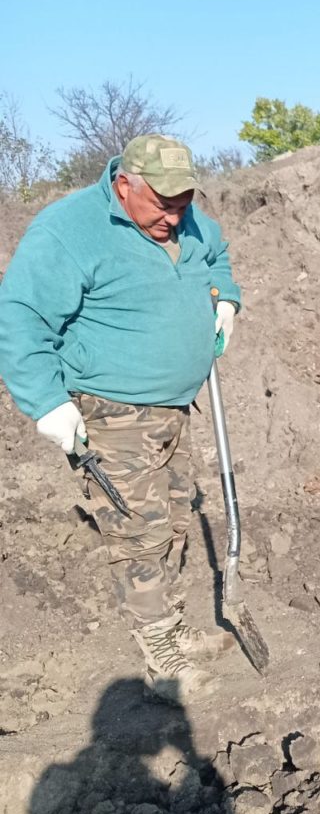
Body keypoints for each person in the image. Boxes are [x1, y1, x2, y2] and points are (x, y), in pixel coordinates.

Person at [0, 134, 241, 701]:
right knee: (137, 531)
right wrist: (48, 403)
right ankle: (160, 652)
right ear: (124, 184)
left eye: (183, 204)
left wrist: (226, 297)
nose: (175, 216)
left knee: (175, 518)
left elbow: (217, 254)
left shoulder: (185, 218)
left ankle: (174, 626)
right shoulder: (68, 231)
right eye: (163, 204)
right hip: (112, 411)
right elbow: (20, 318)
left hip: (176, 407)